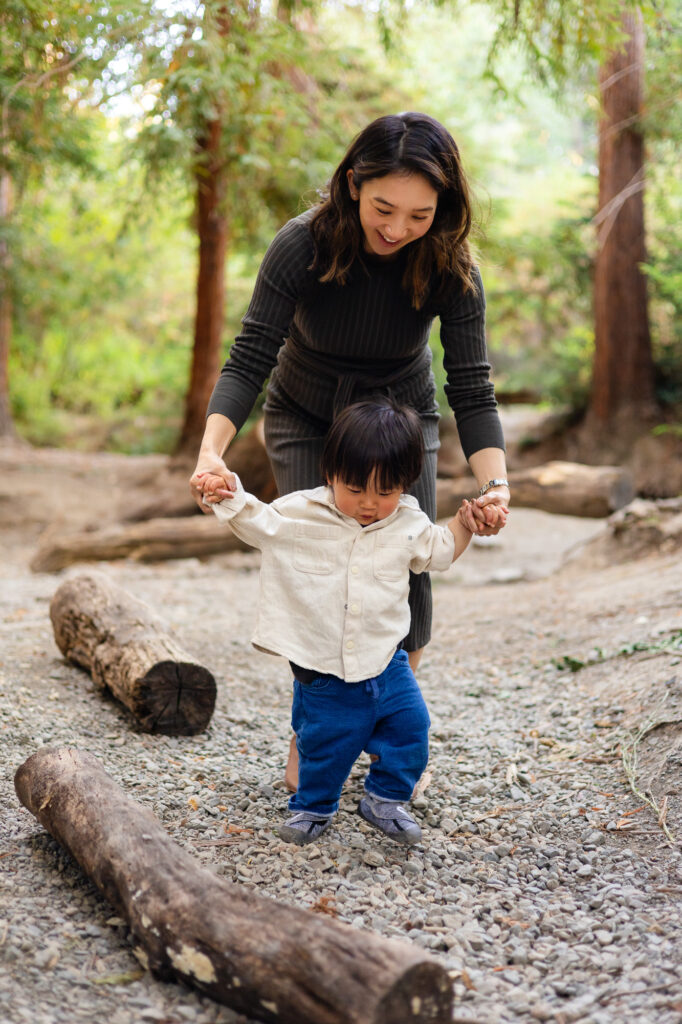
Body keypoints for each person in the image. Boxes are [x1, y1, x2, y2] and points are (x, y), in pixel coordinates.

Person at [190, 111, 511, 789]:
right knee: (318, 570)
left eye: (420, 215)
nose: (397, 229)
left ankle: (394, 735)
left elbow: (472, 387)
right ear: (351, 185)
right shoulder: (302, 245)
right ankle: (317, 736)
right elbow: (251, 356)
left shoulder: (452, 264)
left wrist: (496, 485)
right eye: (382, 208)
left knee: (409, 564)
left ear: (445, 209)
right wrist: (211, 452)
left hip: (401, 420)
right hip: (308, 414)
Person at [199, 400, 505, 845]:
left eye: (384, 492)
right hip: (322, 665)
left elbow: (439, 550)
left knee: (411, 727)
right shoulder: (300, 512)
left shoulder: (407, 520)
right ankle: (314, 807)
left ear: (404, 485)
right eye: (355, 488)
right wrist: (226, 492)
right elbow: (256, 520)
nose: (368, 503)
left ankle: (385, 798)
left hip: (387, 660)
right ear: (331, 473)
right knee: (325, 743)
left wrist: (465, 524)